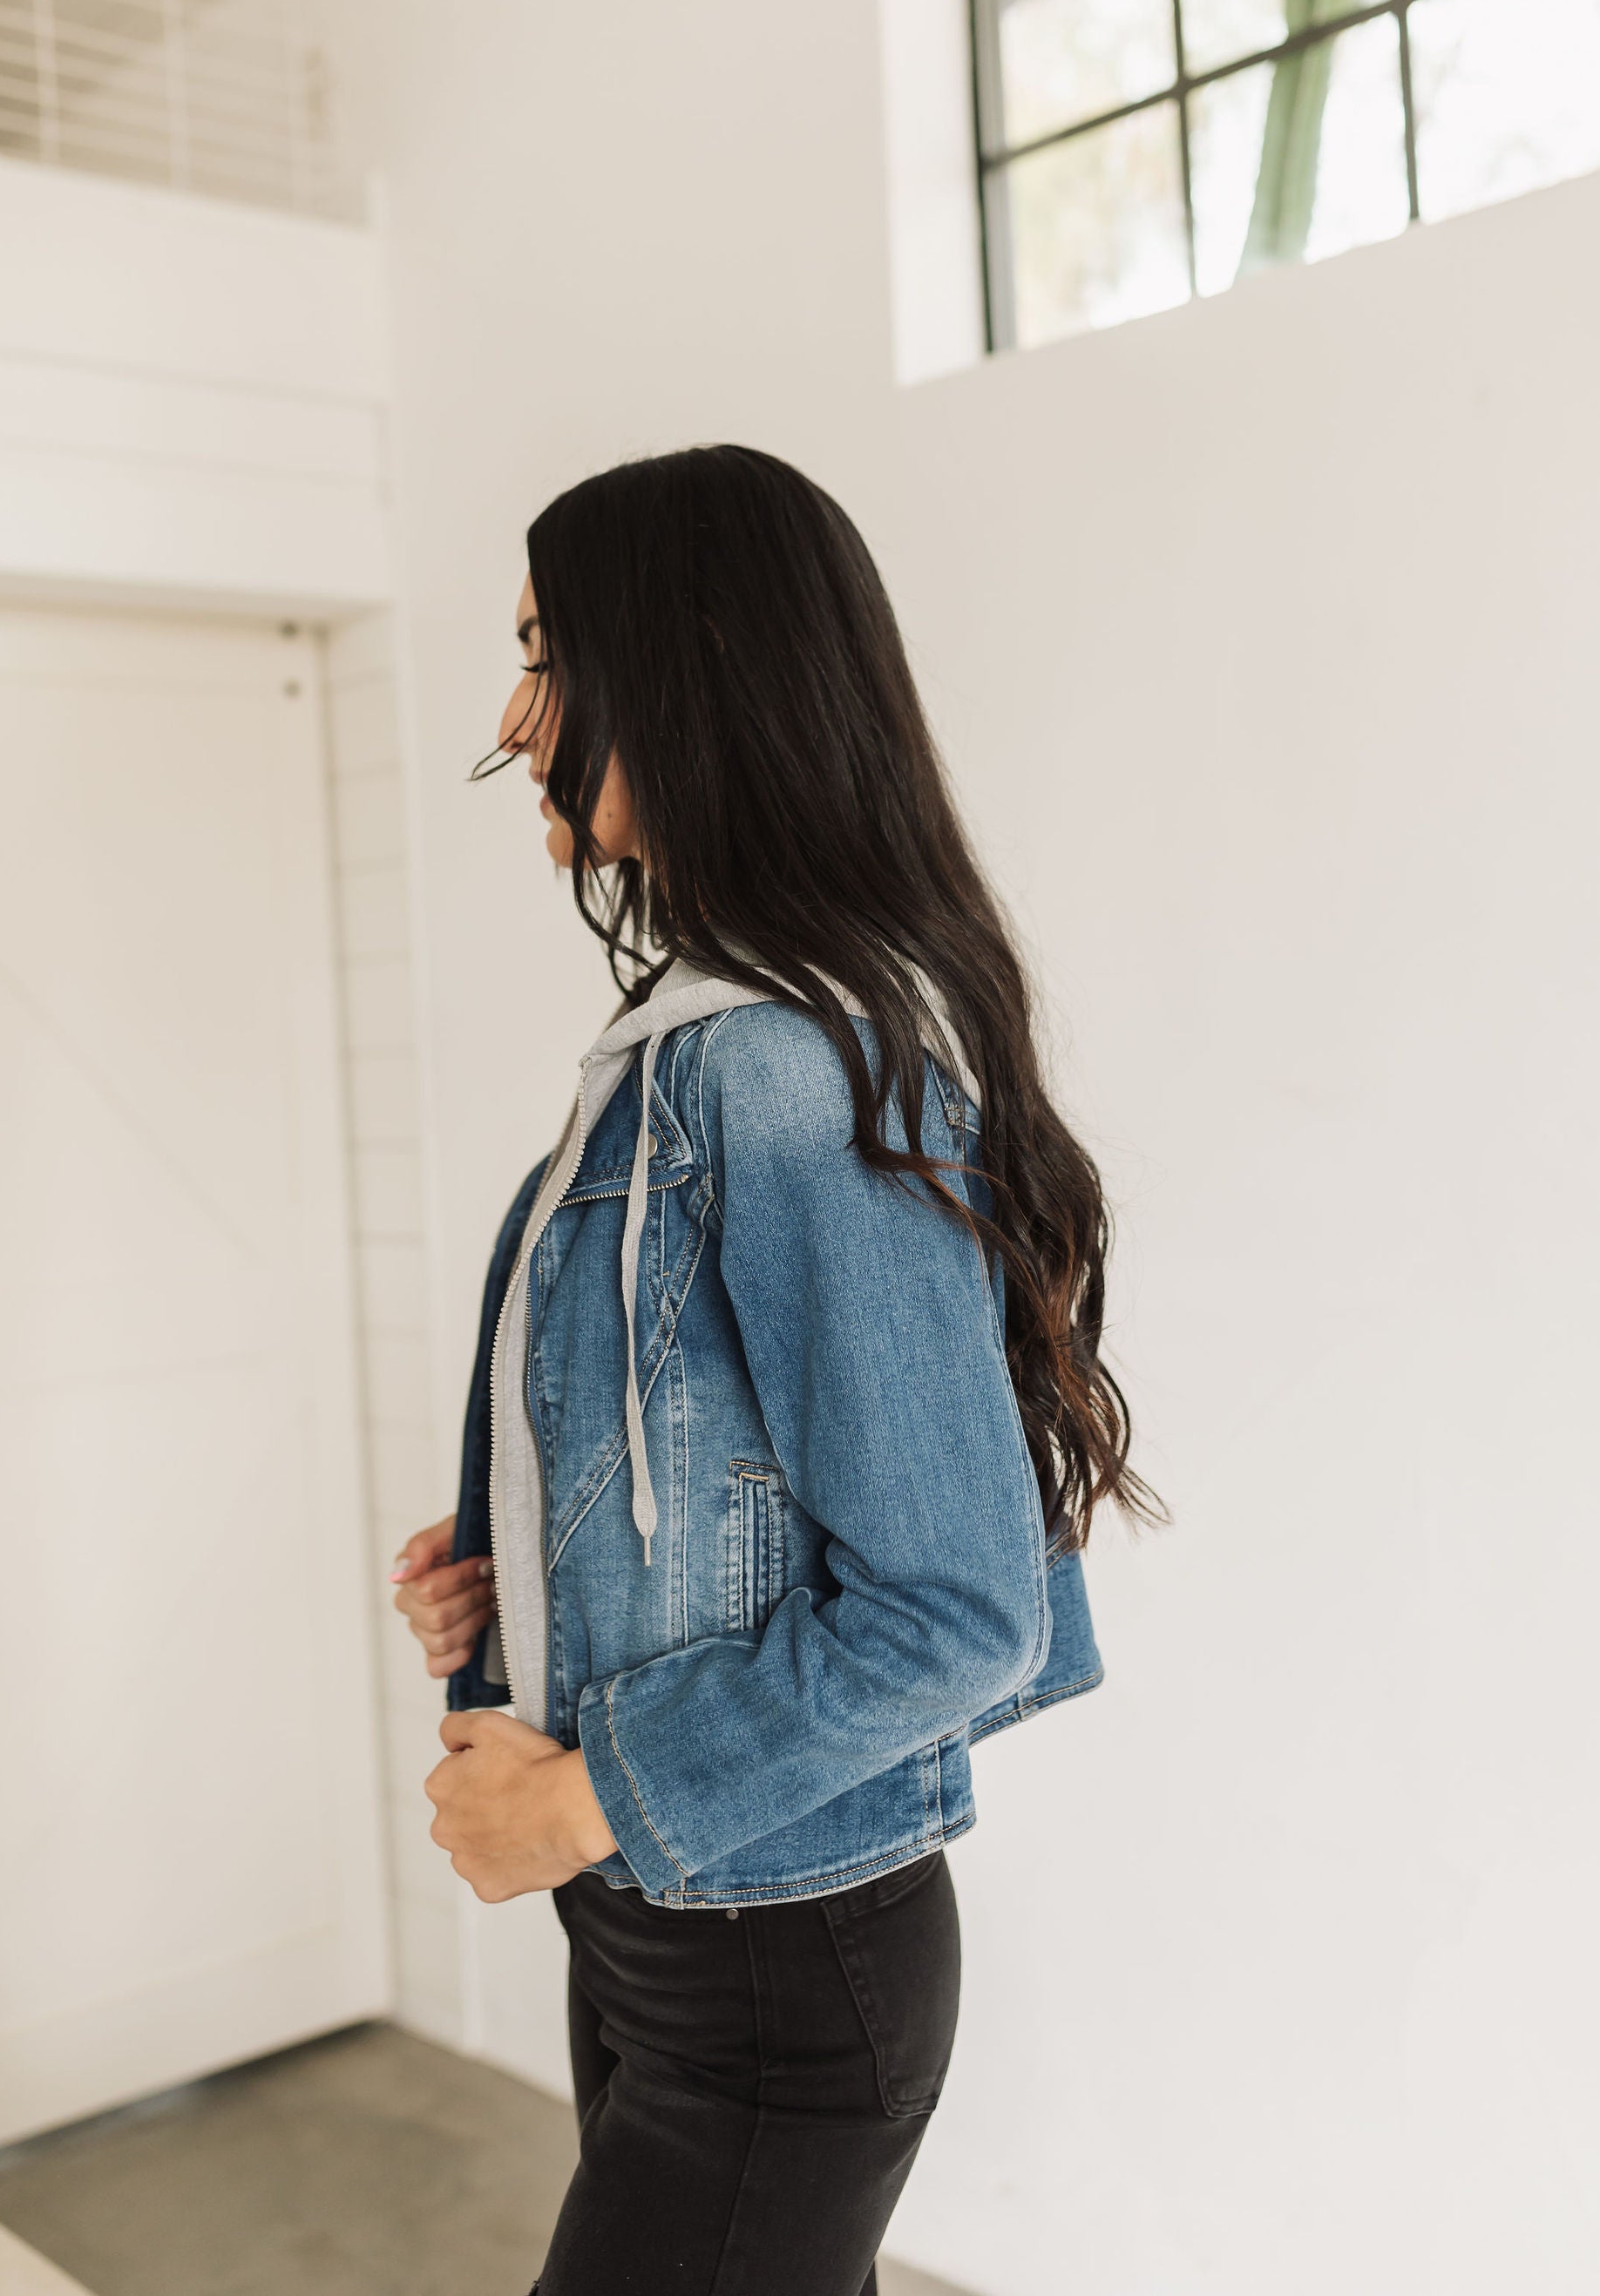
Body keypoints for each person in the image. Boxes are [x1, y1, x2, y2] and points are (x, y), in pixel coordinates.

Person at [389, 445, 1158, 2295]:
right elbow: (729, 1464)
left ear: (690, 670)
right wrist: (537, 1567)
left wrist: (578, 1797)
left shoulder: (781, 1070)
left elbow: (955, 1608)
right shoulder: (690, 1040)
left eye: (545, 662)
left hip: (765, 1947)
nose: (511, 721)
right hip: (676, 1911)